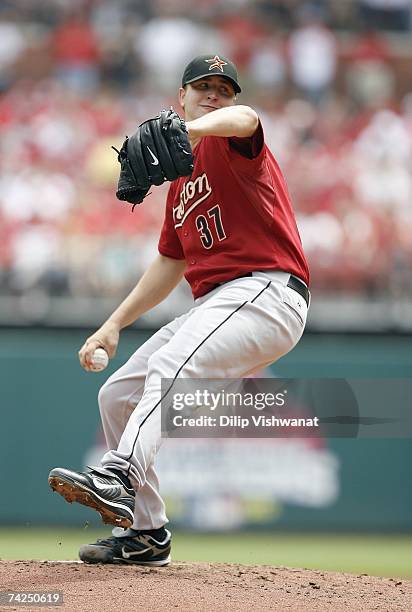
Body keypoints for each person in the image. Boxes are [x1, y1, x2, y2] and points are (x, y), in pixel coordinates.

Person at [49, 54, 310, 566]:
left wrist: (193, 128)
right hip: (221, 302)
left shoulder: (235, 142)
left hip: (267, 291)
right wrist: (113, 324)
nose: (215, 94)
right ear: (180, 94)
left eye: (223, 88)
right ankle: (148, 534)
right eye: (202, 85)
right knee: (118, 394)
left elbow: (249, 119)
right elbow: (169, 264)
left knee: (172, 367)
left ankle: (119, 473)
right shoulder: (179, 187)